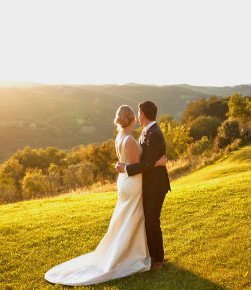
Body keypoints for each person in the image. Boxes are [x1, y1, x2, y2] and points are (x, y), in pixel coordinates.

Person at [44, 105, 167, 286]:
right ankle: (133, 254)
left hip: (125, 180)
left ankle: (141, 253)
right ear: (133, 119)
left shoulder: (120, 136)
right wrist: (157, 163)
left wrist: (133, 166)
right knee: (133, 217)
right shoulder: (131, 140)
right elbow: (139, 166)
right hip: (132, 180)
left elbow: (134, 163)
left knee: (128, 217)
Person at [115, 101, 171, 270]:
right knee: (146, 221)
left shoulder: (154, 134)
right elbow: (147, 161)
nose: (138, 116)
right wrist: (157, 162)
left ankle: (159, 260)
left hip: (156, 186)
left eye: (139, 113)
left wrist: (126, 168)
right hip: (146, 184)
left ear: (143, 114)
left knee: (152, 222)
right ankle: (151, 255)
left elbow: (147, 164)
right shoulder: (145, 132)